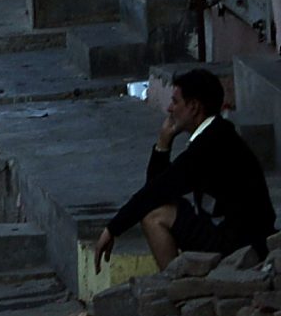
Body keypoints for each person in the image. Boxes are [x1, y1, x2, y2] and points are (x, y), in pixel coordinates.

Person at [93, 68, 273, 269]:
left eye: (176, 102)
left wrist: (111, 230)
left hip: (241, 243)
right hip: (233, 230)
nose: (170, 108)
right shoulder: (216, 134)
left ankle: (173, 282)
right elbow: (158, 188)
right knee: (157, 206)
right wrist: (163, 143)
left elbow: (155, 191)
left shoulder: (211, 145)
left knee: (154, 216)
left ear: (194, 107)